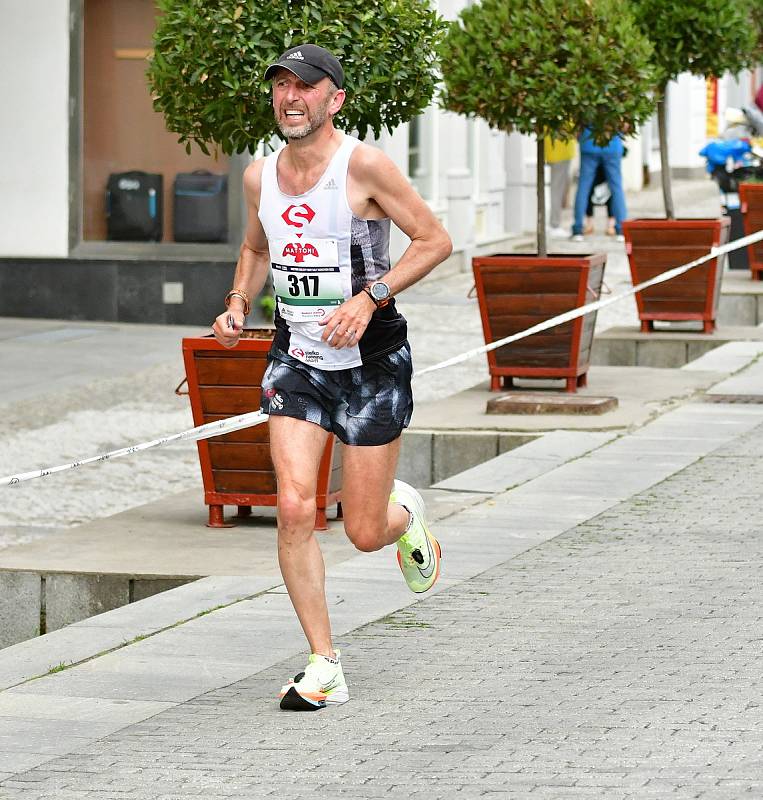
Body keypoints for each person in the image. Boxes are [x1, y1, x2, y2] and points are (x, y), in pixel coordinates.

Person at [212, 44, 452, 711]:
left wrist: (369, 295)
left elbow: (434, 240)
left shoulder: (364, 166)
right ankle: (324, 664)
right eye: (281, 86)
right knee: (293, 508)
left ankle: (404, 518)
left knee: (362, 530)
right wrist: (237, 303)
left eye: (306, 87)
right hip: (297, 359)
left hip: (371, 362)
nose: (290, 98)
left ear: (334, 100)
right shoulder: (260, 176)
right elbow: (256, 247)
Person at [571, 127, 627, 242]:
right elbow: (625, 125)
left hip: (589, 143)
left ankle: (578, 229)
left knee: (583, 187)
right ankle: (621, 229)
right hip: (612, 144)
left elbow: (577, 125)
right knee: (616, 188)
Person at [544, 135, 575, 239]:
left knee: (557, 188)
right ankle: (554, 224)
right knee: (557, 189)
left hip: (557, 151)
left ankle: (554, 224)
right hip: (561, 151)